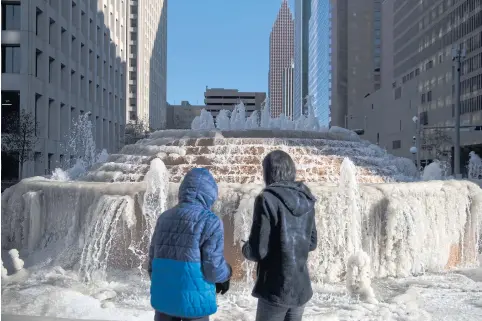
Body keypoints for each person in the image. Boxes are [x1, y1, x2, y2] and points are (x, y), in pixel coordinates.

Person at [242, 150, 317, 321]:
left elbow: (257, 251)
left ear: (269, 172)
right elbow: (312, 243)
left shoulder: (266, 199)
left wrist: (245, 248)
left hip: (275, 288)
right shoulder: (306, 197)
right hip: (301, 288)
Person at [148, 167, 232, 321]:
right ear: (210, 194)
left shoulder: (164, 218)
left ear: (183, 190)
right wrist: (226, 275)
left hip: (164, 301)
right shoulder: (210, 221)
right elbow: (213, 268)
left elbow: (152, 262)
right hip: (195, 304)